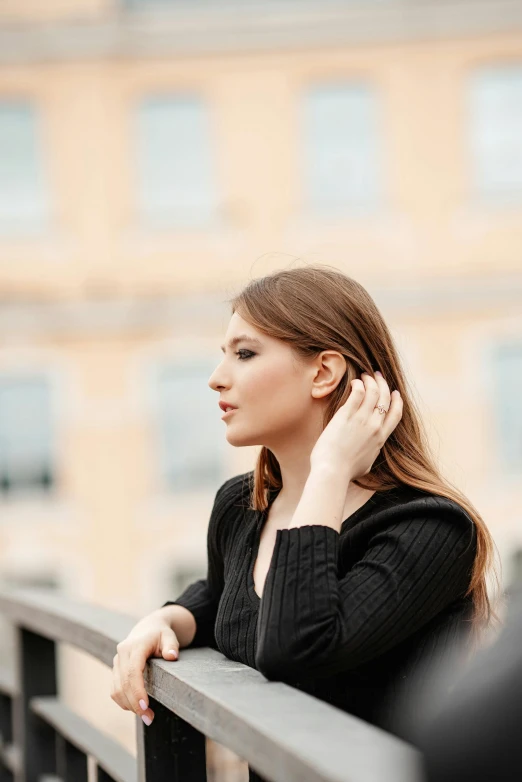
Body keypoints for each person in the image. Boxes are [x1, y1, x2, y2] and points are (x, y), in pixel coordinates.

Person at [111, 265, 501, 781]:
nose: (216, 377)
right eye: (223, 353)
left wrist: (331, 470)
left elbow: (295, 648)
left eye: (244, 353)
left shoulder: (429, 529)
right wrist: (164, 620)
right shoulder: (240, 507)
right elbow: (223, 596)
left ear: (324, 373)